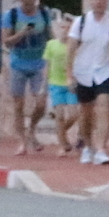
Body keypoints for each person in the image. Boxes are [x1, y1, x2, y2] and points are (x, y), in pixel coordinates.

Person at [69, 0, 109, 165]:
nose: (99, 2)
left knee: (104, 107)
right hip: (83, 72)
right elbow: (70, 50)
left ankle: (101, 149)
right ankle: (87, 146)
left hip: (106, 71)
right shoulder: (81, 22)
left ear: (106, 0)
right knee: (86, 112)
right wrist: (69, 75)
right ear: (90, 1)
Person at [0, 0, 50, 153]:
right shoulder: (12, 16)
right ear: (20, 0)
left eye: (31, 3)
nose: (28, 7)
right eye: (25, 4)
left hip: (38, 64)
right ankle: (22, 141)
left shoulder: (43, 14)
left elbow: (50, 36)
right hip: (17, 65)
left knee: (41, 103)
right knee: (18, 105)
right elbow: (6, 41)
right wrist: (21, 33)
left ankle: (32, 129)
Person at [43, 13, 79, 155]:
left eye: (70, 28)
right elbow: (47, 65)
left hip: (70, 84)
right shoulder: (51, 45)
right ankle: (63, 144)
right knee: (59, 115)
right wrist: (44, 85)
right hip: (55, 83)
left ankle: (61, 133)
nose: (66, 31)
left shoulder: (75, 46)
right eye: (64, 27)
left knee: (74, 114)